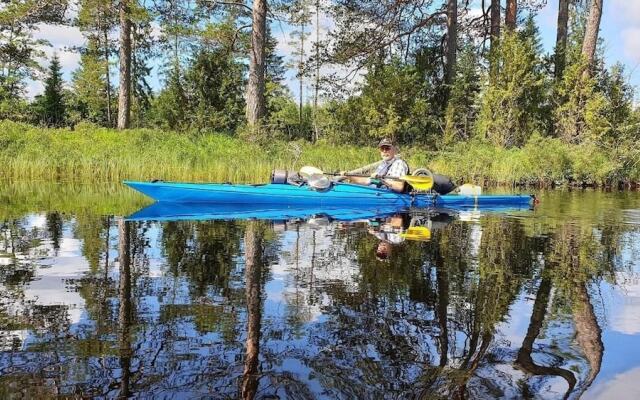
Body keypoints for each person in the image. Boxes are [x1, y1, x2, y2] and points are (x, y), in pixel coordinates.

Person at [343, 138, 409, 193]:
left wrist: (381, 179)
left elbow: (399, 187)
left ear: (394, 150)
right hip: (376, 192)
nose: (384, 151)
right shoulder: (383, 164)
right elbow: (367, 181)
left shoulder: (399, 163)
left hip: (389, 196)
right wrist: (349, 176)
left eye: (387, 148)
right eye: (382, 149)